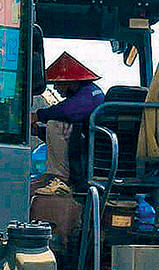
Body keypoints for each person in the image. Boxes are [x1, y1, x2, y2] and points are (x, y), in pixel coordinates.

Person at [36, 52, 106, 187]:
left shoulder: (89, 94)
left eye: (58, 84)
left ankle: (60, 176)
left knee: (54, 124)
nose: (55, 88)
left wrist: (39, 115)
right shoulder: (90, 93)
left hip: (92, 148)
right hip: (88, 142)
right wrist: (40, 131)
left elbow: (67, 111)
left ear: (72, 82)